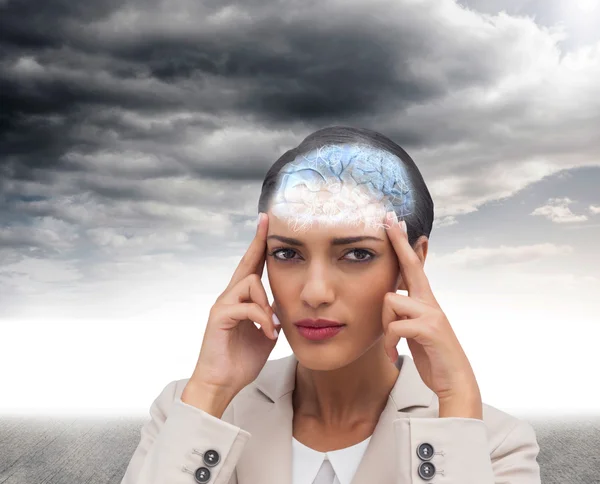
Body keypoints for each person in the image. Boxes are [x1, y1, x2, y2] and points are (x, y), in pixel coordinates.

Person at [120, 126, 542, 484]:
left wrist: (457, 405)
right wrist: (210, 392)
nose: (315, 292)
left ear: (412, 262)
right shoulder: (189, 411)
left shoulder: (491, 444)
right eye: (287, 254)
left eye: (357, 254)